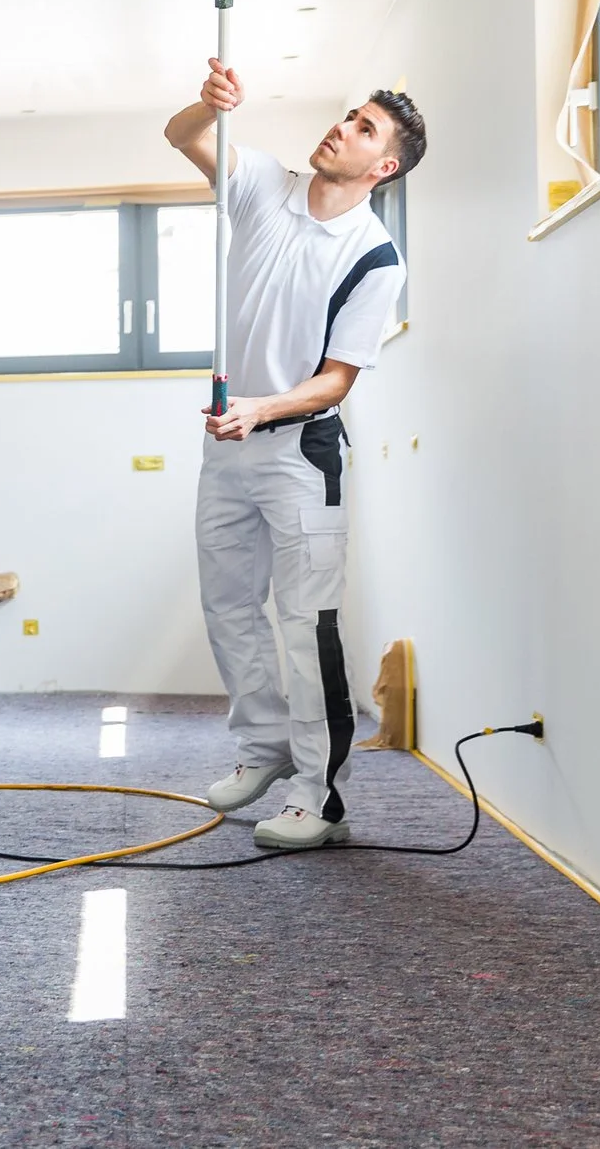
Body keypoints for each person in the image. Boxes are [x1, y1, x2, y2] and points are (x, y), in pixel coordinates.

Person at [164, 62, 423, 850]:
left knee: (307, 623)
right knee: (228, 606)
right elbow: (183, 135)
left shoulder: (376, 257)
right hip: (228, 446)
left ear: (384, 165)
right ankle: (265, 745)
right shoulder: (264, 185)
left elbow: (336, 379)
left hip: (300, 454)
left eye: (364, 127)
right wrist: (206, 104)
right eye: (349, 114)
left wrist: (261, 407)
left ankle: (319, 794)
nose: (343, 127)